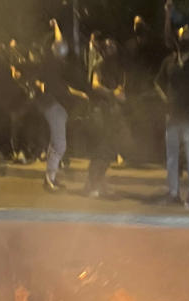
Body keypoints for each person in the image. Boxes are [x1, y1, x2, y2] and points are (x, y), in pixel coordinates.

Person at [155, 26, 189, 207]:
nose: (185, 39)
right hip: (172, 116)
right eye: (182, 36)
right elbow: (157, 82)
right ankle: (173, 193)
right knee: (172, 158)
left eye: (188, 36)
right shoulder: (168, 62)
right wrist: (166, 100)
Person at [36, 25, 87, 192]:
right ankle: (49, 179)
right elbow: (62, 89)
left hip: (55, 106)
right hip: (53, 106)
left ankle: (50, 178)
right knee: (60, 145)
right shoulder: (51, 62)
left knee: (55, 143)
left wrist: (78, 94)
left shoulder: (54, 65)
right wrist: (57, 25)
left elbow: (63, 87)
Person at [85, 36, 126, 197]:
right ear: (103, 50)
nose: (112, 50)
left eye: (114, 48)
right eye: (109, 48)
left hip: (110, 112)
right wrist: (112, 94)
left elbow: (119, 90)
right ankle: (91, 184)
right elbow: (95, 85)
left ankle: (99, 182)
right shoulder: (99, 65)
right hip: (99, 112)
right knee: (100, 149)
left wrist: (120, 96)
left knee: (109, 149)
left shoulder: (115, 68)